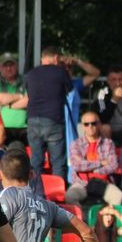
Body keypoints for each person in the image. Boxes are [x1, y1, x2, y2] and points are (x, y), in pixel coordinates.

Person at [25, 48, 76, 183]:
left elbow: (28, 93)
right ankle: (58, 195)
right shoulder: (60, 72)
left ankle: (35, 192)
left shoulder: (31, 73)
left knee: (36, 160)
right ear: (55, 57)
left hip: (32, 119)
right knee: (58, 161)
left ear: (43, 59)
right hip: (53, 120)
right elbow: (69, 89)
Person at [66, 110, 122, 207]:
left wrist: (89, 169)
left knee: (118, 196)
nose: (90, 126)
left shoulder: (108, 143)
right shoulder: (76, 144)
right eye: (86, 124)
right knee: (70, 196)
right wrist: (100, 163)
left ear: (99, 124)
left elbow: (113, 166)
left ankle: (107, 220)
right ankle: (82, 221)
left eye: (93, 123)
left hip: (103, 182)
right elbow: (77, 165)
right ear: (83, 126)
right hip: (82, 183)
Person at [0, 52, 29, 149]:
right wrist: (20, 96)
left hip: (24, 129)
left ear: (17, 66)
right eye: (5, 66)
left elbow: (29, 100)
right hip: (0, 128)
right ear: (0, 68)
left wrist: (8, 104)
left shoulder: (26, 81)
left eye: (11, 65)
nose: (9, 68)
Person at [92, 64, 122, 146]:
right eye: (114, 79)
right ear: (108, 81)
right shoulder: (101, 94)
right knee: (105, 128)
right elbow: (101, 118)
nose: (117, 83)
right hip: (108, 129)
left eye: (120, 79)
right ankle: (107, 154)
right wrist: (114, 100)